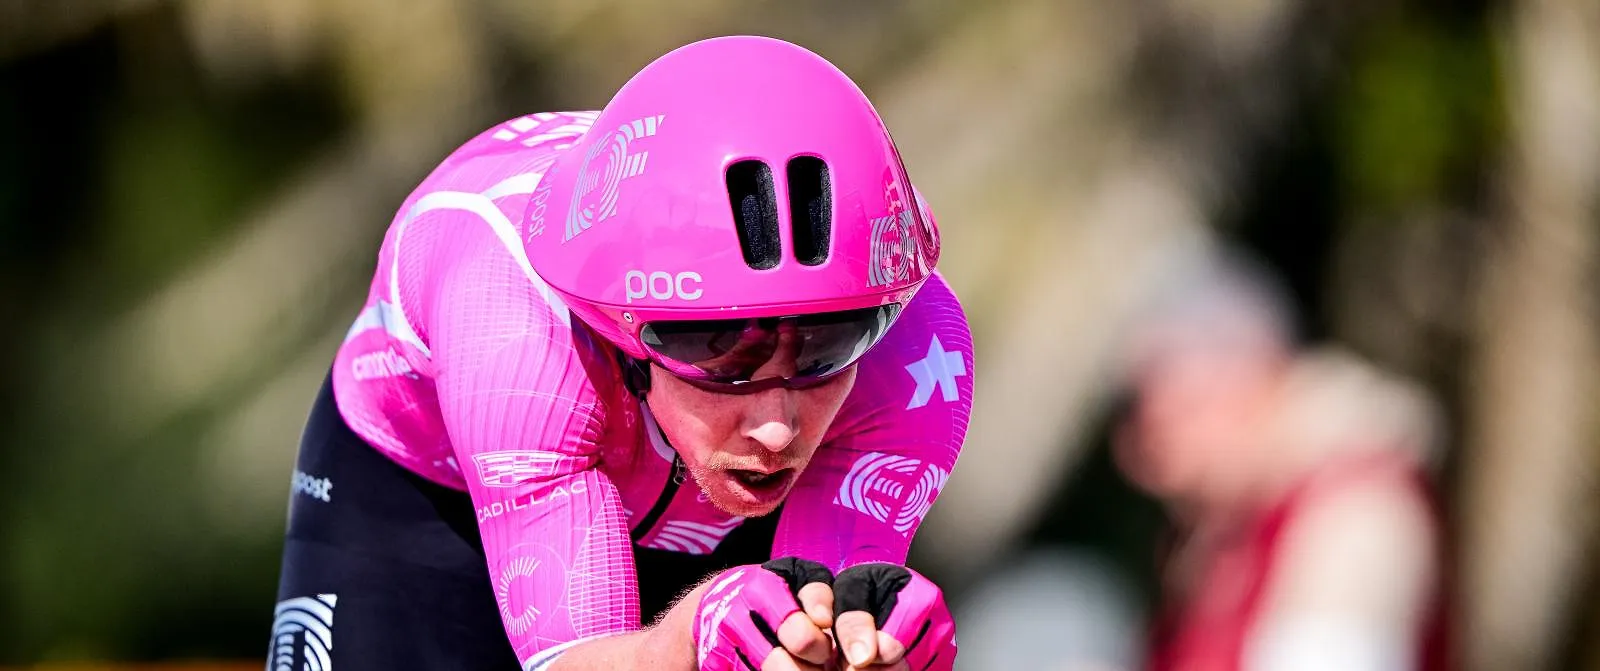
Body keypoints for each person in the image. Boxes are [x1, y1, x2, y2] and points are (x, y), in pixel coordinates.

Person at [266, 35, 973, 671]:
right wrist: (692, 634)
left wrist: (867, 651)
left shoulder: (915, 347)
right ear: (620, 329)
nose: (777, 428)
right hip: (428, 493)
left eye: (826, 345)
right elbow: (574, 661)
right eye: (725, 353)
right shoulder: (515, 324)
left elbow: (822, 641)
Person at [1113, 252, 1450, 671]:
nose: (1152, 463)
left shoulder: (1353, 513)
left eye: (1175, 417)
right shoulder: (1235, 530)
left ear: (1247, 376)